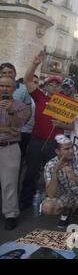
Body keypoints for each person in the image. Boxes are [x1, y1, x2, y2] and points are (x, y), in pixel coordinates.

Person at [20, 51, 74, 210]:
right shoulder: (39, 97)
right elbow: (27, 80)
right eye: (52, 84)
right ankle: (25, 202)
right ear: (46, 86)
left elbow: (72, 126)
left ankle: (52, 202)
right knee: (30, 173)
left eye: (58, 84)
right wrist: (35, 63)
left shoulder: (67, 103)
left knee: (54, 174)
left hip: (55, 145)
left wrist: (62, 124)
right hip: (37, 141)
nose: (55, 86)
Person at [41, 135, 78, 231]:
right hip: (64, 196)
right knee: (47, 207)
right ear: (57, 152)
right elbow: (51, 194)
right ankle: (65, 212)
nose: (71, 151)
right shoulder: (50, 165)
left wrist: (74, 177)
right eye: (66, 149)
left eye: (72, 147)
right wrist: (55, 171)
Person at [0, 76, 27, 230]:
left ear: (14, 89)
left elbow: (17, 128)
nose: (4, 88)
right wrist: (6, 129)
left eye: (8, 86)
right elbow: (11, 130)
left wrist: (11, 111)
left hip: (10, 147)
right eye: (1, 85)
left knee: (9, 183)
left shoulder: (20, 106)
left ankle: (10, 214)